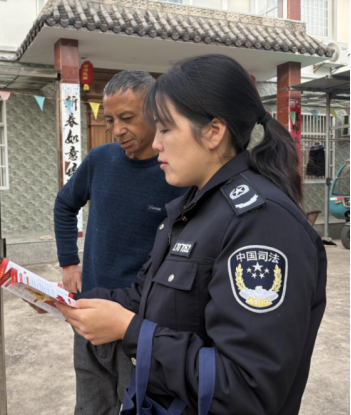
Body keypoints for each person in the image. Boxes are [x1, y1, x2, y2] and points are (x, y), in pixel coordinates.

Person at [57, 55, 328, 415]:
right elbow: (145, 296)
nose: (156, 144)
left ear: (214, 131)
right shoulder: (193, 207)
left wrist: (130, 330)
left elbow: (246, 389)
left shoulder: (262, 223)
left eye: (166, 129)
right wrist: (68, 299)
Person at [54, 71, 187, 415]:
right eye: (110, 120)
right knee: (90, 407)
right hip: (89, 309)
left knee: (136, 406)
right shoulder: (100, 160)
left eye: (127, 118)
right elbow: (65, 204)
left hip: (139, 321)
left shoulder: (177, 173)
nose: (117, 130)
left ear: (155, 113)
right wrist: (69, 263)